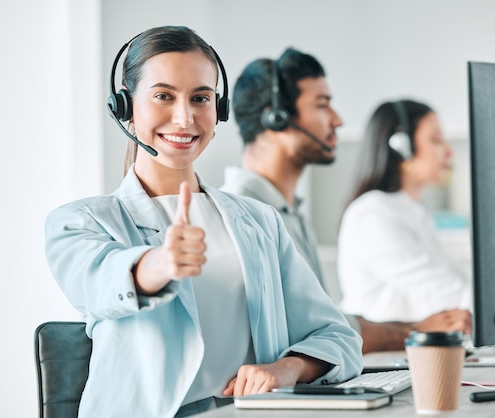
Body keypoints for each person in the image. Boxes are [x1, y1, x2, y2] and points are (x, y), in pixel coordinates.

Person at [44, 26, 362, 418]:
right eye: (163, 96)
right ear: (124, 108)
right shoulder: (79, 222)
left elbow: (338, 337)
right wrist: (161, 263)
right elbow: (101, 282)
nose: (184, 117)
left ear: (219, 110)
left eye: (200, 98)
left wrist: (286, 369)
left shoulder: (260, 221)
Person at [221, 48, 471, 354]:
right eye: (322, 105)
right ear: (277, 118)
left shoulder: (290, 213)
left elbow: (323, 323)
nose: (337, 120)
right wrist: (415, 330)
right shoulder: (240, 212)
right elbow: (299, 333)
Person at [337, 99, 472, 326]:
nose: (448, 151)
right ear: (402, 147)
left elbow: (460, 283)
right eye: (436, 139)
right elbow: (450, 296)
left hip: (415, 355)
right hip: (383, 357)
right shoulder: (373, 213)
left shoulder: (414, 212)